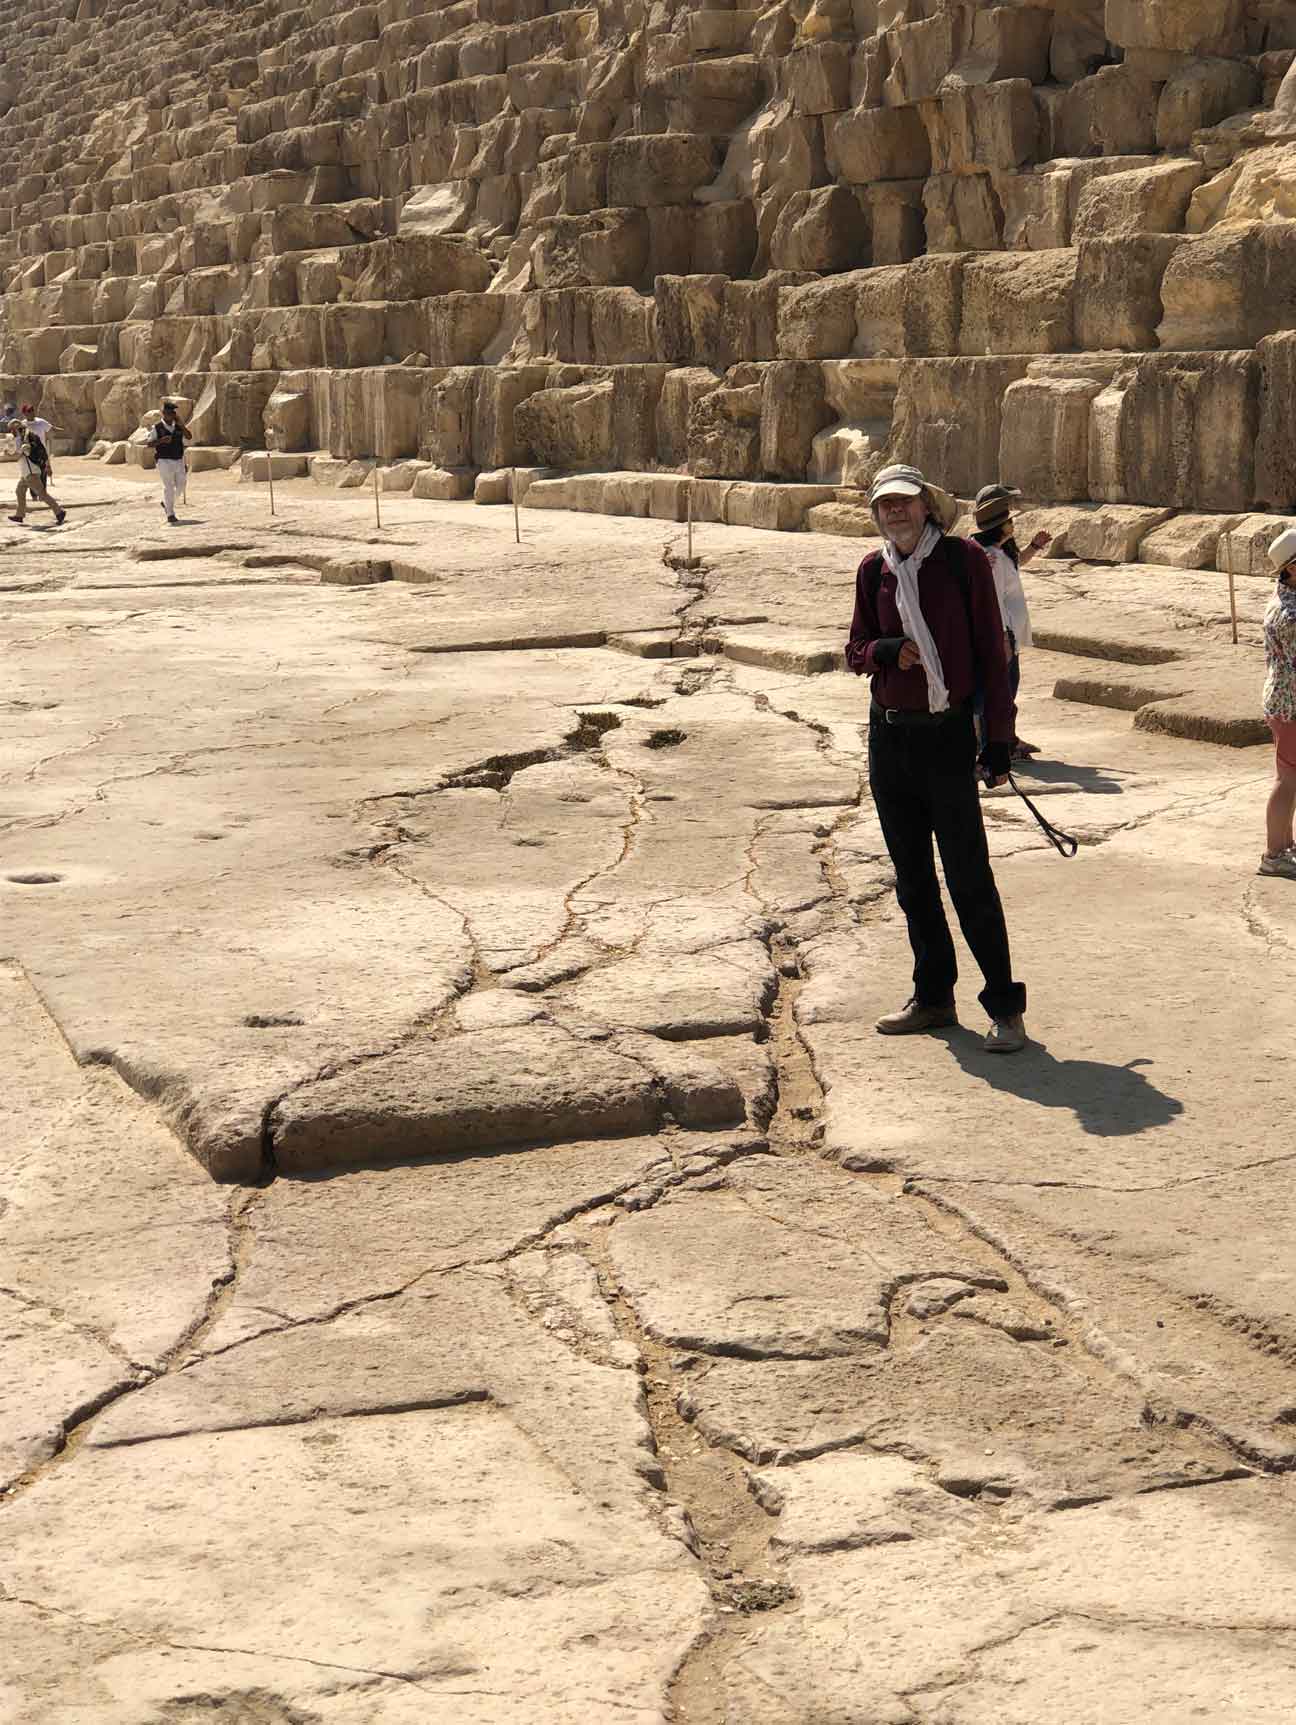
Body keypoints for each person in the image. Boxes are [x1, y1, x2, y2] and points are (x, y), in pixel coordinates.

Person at [846, 463, 1028, 1053]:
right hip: (890, 737)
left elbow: (991, 658)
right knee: (913, 880)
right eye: (884, 504)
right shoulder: (873, 570)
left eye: (904, 501)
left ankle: (1005, 1007)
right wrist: (888, 651)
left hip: (946, 737)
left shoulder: (962, 563)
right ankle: (933, 997)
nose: (894, 511)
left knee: (969, 875)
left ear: (926, 505)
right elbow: (855, 650)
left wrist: (997, 740)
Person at [971, 483, 1052, 759]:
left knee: (1006, 692)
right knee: (998, 694)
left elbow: (1018, 562)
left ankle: (1007, 740)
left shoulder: (1000, 551)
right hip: (1001, 637)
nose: (1012, 523)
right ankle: (995, 747)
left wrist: (1035, 546)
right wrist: (1001, 638)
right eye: (1008, 520)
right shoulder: (987, 557)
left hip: (1008, 636)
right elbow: (990, 602)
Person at [1259, 527, 1296, 879]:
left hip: (1284, 703)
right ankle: (1274, 853)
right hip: (1291, 707)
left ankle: (1285, 846)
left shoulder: (1284, 596)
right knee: (1288, 782)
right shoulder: (1291, 616)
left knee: (1290, 779)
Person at [7, 418, 66, 526]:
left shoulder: (21, 439)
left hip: (31, 473)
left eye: (11, 429)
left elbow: (19, 455)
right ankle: (20, 515)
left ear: (15, 429)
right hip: (27, 473)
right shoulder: (26, 437)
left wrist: (9, 455)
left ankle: (59, 512)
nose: (11, 432)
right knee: (19, 491)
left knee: (42, 495)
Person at [146, 400, 191, 523]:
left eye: (173, 413)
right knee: (169, 486)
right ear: (163, 414)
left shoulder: (178, 426)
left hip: (178, 459)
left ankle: (166, 503)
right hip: (164, 460)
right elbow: (149, 444)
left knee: (182, 485)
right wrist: (161, 441)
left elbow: (189, 436)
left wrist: (181, 424)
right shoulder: (157, 427)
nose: (171, 416)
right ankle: (170, 514)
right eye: (168, 413)